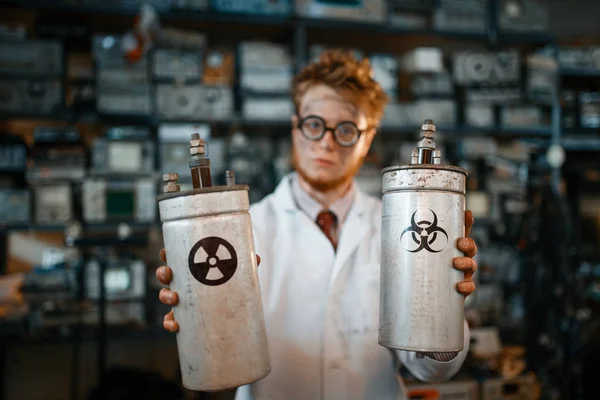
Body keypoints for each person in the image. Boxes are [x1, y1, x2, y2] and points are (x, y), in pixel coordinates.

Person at [156, 50, 478, 400]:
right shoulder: (245, 228)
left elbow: (430, 368)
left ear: (367, 138)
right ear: (296, 127)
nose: (326, 142)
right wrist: (196, 315)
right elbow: (222, 363)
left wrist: (443, 309)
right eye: (314, 124)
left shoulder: (403, 228)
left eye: (345, 129)